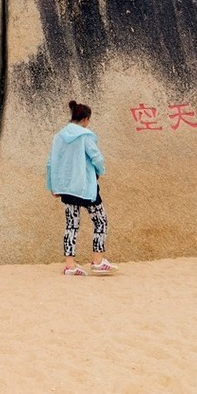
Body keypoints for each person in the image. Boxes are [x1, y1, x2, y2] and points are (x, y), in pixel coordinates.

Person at [46, 100, 118, 276]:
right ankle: (98, 261)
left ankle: (70, 265)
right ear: (85, 119)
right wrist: (100, 171)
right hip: (85, 187)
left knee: (72, 225)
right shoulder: (85, 136)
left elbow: (50, 163)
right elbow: (96, 157)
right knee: (100, 221)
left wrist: (52, 185)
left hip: (66, 188)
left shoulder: (59, 137)